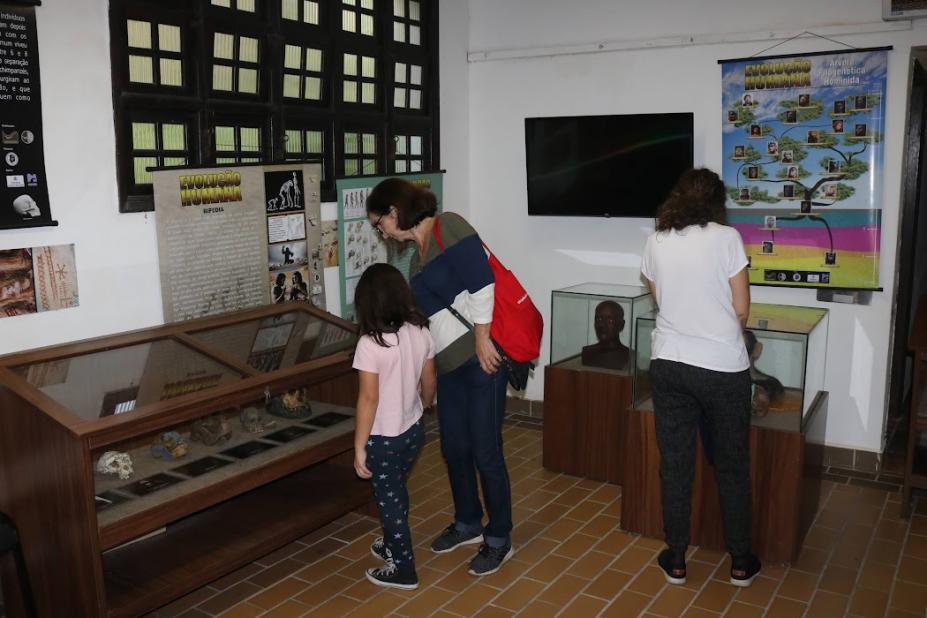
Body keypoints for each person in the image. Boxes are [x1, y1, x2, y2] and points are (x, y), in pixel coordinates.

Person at [366, 177, 516, 577]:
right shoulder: (416, 257)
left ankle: (499, 536)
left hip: (481, 359)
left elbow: (483, 281)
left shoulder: (448, 226)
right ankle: (468, 521)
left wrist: (484, 339)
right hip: (450, 367)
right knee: (454, 448)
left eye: (378, 222)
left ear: (394, 212)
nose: (379, 230)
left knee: (486, 451)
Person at [640, 167, 762, 588]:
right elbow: (741, 309)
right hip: (723, 368)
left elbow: (660, 299)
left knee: (675, 465)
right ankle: (741, 562)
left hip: (670, 364)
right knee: (732, 465)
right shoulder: (727, 239)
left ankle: (675, 558)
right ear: (716, 202)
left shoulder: (657, 240)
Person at [352, 263, 436, 590]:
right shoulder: (419, 332)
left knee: (389, 500)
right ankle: (391, 544)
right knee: (396, 491)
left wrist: (359, 447)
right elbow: (429, 382)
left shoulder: (370, 345)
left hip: (383, 439)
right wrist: (425, 403)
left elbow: (368, 400)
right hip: (413, 430)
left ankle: (403, 568)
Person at [581, 300, 630, 370]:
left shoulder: (629, 356)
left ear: (621, 325)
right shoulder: (588, 352)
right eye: (599, 319)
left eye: (610, 321)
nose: (602, 325)